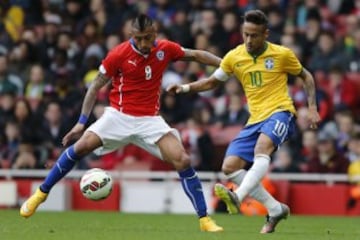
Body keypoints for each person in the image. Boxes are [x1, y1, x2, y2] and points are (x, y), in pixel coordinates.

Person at [20, 14, 223, 232]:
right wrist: (81, 122)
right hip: (119, 116)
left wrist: (226, 64)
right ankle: (40, 195)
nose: (143, 43)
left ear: (155, 34)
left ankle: (204, 219)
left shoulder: (165, 49)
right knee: (79, 147)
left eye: (147, 38)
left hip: (150, 120)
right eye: (138, 38)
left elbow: (195, 55)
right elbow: (94, 87)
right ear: (131, 36)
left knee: (182, 159)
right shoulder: (118, 54)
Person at [167, 10, 321, 234]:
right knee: (229, 168)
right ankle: (275, 208)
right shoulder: (235, 56)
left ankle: (237, 197)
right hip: (254, 118)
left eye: (254, 35)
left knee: (262, 149)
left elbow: (306, 76)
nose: (249, 40)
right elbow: (212, 82)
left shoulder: (282, 54)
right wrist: (185, 88)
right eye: (246, 34)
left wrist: (312, 107)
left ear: (265, 34)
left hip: (281, 112)